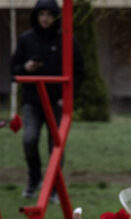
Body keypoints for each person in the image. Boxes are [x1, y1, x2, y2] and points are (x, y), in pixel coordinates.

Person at [10, 0, 84, 200]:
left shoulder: (66, 40)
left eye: (49, 14)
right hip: (33, 103)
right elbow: (13, 70)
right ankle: (34, 178)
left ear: (55, 17)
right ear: (36, 16)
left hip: (57, 103)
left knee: (56, 146)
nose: (45, 18)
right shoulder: (26, 39)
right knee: (29, 139)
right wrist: (26, 68)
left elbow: (78, 71)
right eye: (41, 14)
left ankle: (53, 188)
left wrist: (68, 96)